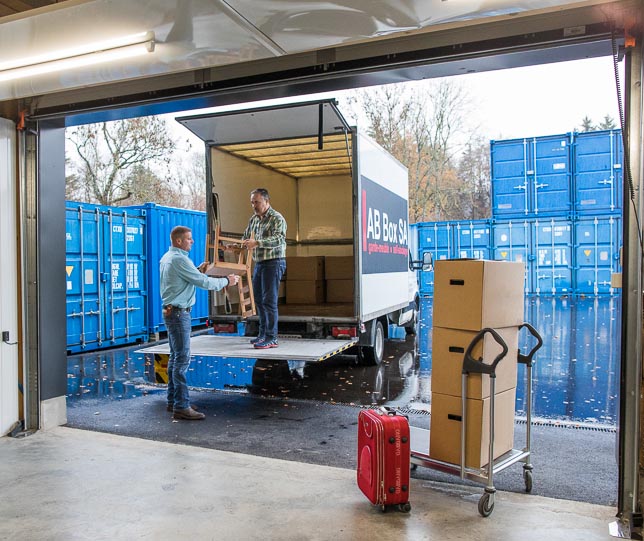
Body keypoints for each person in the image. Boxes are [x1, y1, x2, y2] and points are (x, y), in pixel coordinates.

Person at [160, 225, 239, 420]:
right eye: (189, 239)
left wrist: (196, 270)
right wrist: (227, 281)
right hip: (179, 314)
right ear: (179, 241)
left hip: (172, 312)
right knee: (181, 360)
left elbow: (183, 279)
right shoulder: (179, 259)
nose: (192, 241)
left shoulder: (168, 257)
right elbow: (203, 283)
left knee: (175, 358)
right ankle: (181, 406)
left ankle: (174, 401)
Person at [242, 188, 287, 349]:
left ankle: (272, 337)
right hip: (259, 263)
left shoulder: (277, 218)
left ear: (267, 202)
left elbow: (279, 239)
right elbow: (246, 238)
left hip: (274, 262)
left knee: (269, 301)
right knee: (259, 300)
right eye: (252, 202)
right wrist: (237, 245)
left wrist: (258, 243)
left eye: (257, 202)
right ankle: (262, 334)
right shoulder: (253, 219)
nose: (254, 205)